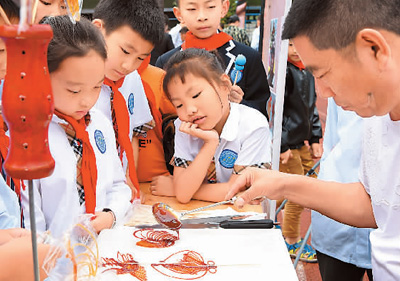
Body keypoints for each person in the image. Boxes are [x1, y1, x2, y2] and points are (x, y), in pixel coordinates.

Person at [226, 0, 400, 279]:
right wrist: (281, 183)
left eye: (323, 73)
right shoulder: (375, 113)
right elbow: (375, 204)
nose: (323, 91)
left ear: (374, 48)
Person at [20, 15, 131, 237]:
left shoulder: (98, 123)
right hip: (53, 260)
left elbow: (119, 185)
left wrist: (111, 214)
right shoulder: (28, 135)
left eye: (97, 87)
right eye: (74, 90)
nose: (86, 100)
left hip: (102, 249)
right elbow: (28, 215)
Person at [150, 48, 271, 203]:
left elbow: (244, 192)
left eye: (195, 95)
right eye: (179, 105)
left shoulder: (253, 124)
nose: (190, 110)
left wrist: (176, 188)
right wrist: (210, 143)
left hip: (244, 220)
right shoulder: (184, 125)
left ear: (225, 85)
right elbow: (183, 195)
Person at [92, 0, 164, 200]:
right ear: (98, 29)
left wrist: (128, 177)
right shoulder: (74, 78)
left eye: (140, 58)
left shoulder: (131, 79)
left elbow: (132, 134)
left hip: (118, 191)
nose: (128, 65)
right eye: (125, 51)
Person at [156, 0, 271, 119]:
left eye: (210, 7)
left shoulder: (248, 57)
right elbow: (161, 116)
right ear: (179, 14)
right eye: (192, 9)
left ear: (224, 8)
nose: (202, 17)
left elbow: (262, 112)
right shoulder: (165, 63)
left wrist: (240, 104)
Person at [312, 98, 373, 281]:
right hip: (336, 225)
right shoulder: (337, 92)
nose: (324, 91)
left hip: (390, 234)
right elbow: (332, 139)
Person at [278, 40, 322, 262]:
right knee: (297, 194)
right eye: (290, 44)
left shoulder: (306, 71)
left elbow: (311, 107)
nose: (295, 50)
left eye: (299, 44)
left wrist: (315, 137)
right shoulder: (283, 72)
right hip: (287, 146)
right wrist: (282, 144)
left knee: (309, 186)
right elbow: (276, 108)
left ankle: (273, 222)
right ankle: (292, 241)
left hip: (301, 143)